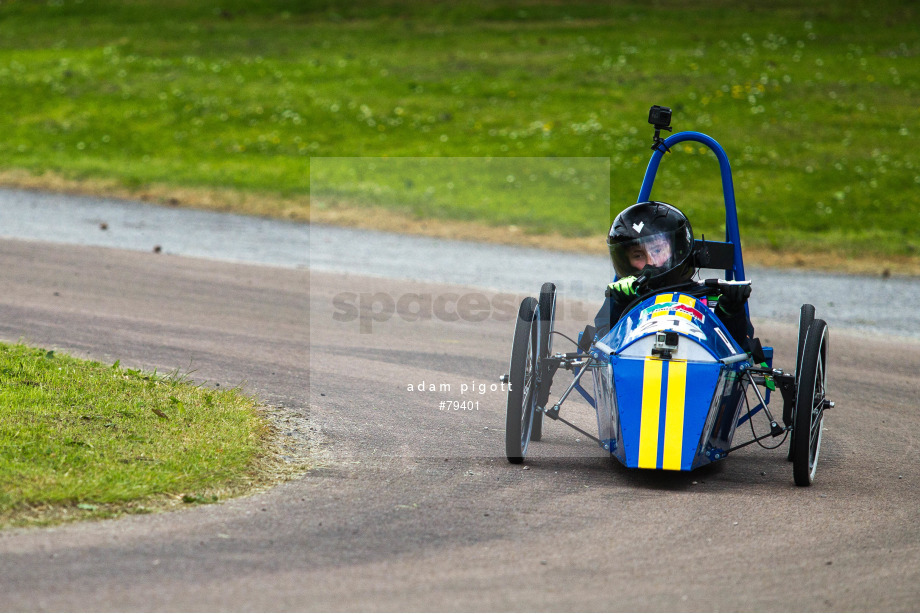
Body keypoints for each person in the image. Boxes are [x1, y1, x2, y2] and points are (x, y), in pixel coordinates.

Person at [593, 201, 752, 347]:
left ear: (678, 249)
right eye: (638, 256)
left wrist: (729, 314)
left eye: (657, 250)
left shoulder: (713, 300)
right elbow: (602, 348)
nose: (651, 262)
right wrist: (618, 305)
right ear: (625, 261)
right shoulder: (625, 301)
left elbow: (740, 352)